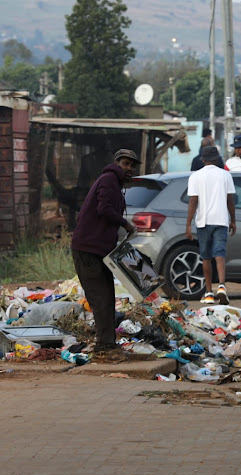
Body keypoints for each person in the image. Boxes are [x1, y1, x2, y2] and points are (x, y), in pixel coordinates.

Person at [71, 149, 138, 361]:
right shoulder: (109, 180)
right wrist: (126, 224)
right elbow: (104, 209)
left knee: (107, 296)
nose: (129, 169)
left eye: (132, 165)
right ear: (116, 162)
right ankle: (103, 348)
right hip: (88, 249)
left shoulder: (114, 184)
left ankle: (108, 344)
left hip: (99, 250)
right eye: (125, 164)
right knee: (101, 298)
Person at [186, 146, 237, 305]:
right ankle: (221, 285)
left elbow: (193, 201)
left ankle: (208, 292)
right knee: (219, 253)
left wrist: (188, 224)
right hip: (221, 219)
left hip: (203, 221)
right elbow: (230, 200)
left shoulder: (196, 176)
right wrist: (233, 220)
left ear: (202, 159)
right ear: (217, 159)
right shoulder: (225, 175)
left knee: (206, 257)